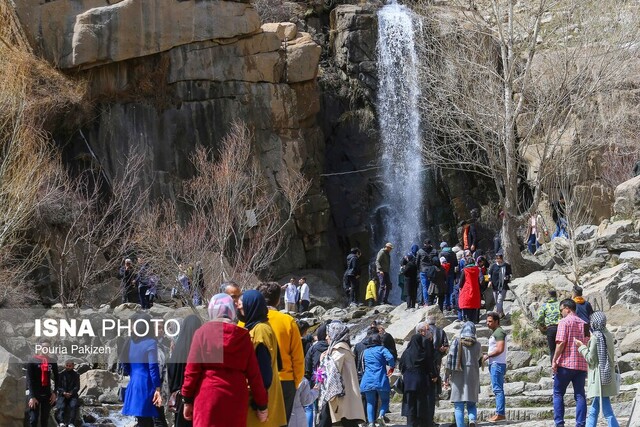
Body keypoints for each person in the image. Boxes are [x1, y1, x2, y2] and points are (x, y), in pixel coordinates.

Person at [181, 294, 269, 427]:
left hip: (208, 395)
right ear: (232, 311)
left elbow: (192, 370)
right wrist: (262, 405)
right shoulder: (243, 336)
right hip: (236, 397)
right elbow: (254, 374)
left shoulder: (202, 333)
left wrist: (187, 399)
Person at [257, 282, 305, 423]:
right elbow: (298, 357)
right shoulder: (288, 321)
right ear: (278, 300)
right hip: (285, 381)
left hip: (256, 381)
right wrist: (295, 382)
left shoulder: (246, 322)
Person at [575, 312, 620, 427]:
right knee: (594, 410)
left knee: (607, 412)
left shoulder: (596, 337)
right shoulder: (608, 335)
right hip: (607, 375)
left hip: (599, 378)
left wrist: (581, 346)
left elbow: (591, 359)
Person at [317, 321, 365, 427]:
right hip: (340, 394)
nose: (326, 338)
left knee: (330, 420)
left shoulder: (339, 349)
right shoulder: (341, 348)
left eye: (328, 335)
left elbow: (331, 369)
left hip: (339, 394)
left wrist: (323, 359)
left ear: (335, 334)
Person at [121, 312, 163, 427]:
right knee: (149, 420)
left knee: (141, 420)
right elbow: (153, 367)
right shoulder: (151, 342)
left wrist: (133, 374)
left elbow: (124, 363)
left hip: (134, 382)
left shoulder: (130, 341)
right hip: (147, 384)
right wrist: (158, 388)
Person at [552, 299, 588, 427]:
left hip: (565, 364)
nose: (561, 312)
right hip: (581, 364)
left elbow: (561, 342)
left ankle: (559, 423)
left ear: (567, 308)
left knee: (558, 393)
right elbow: (587, 343)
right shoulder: (585, 323)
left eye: (561, 310)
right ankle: (580, 424)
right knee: (580, 395)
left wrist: (554, 360)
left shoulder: (564, 322)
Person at [167, 314, 202, 427]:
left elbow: (171, 372)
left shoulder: (178, 348)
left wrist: (175, 388)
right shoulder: (200, 347)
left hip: (181, 398)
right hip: (198, 396)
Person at [445, 322, 482, 427]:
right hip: (472, 376)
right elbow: (479, 358)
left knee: (458, 405)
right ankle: (472, 420)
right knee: (471, 403)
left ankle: (461, 425)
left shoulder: (456, 342)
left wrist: (446, 376)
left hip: (458, 376)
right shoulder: (478, 344)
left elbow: (449, 360)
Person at [400, 324, 437, 427]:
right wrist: (433, 375)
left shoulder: (406, 353)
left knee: (410, 405)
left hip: (408, 383)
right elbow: (429, 365)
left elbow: (401, 366)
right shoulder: (422, 353)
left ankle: (410, 424)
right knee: (420, 404)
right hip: (420, 381)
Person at [359, 333, 395, 427]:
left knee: (370, 402)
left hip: (367, 379)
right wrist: (391, 367)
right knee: (385, 401)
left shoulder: (365, 351)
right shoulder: (382, 349)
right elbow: (390, 357)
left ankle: (371, 423)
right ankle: (380, 416)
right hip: (380, 378)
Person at [27, 341, 59, 427]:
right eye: (44, 346)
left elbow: (57, 378)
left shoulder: (52, 361)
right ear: (39, 348)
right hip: (35, 394)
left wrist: (55, 393)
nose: (46, 349)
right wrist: (32, 396)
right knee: (33, 420)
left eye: (48, 347)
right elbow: (29, 379)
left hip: (47, 394)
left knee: (45, 420)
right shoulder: (32, 360)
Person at [483, 312, 507, 422]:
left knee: (498, 389)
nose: (488, 323)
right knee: (497, 389)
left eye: (490, 321)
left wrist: (487, 356)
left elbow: (500, 349)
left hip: (497, 364)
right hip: (495, 363)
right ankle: (499, 412)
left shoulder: (499, 332)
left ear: (497, 321)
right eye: (487, 321)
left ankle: (500, 413)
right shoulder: (496, 332)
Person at [536, 289, 561, 359]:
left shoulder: (545, 306)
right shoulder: (560, 304)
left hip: (550, 328)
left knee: (552, 350)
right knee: (561, 348)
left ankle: (554, 368)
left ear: (549, 296)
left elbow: (538, 318)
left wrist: (542, 325)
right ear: (556, 295)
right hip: (561, 328)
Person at [487, 252, 512, 318]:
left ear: (502, 258)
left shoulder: (506, 265)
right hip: (495, 286)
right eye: (497, 258)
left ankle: (498, 315)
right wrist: (490, 281)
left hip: (503, 285)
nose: (498, 260)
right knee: (496, 301)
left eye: (499, 258)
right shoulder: (493, 266)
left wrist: (506, 277)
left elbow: (510, 274)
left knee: (499, 300)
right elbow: (489, 274)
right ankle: (502, 313)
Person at [56, 360, 80, 427]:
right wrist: (63, 392)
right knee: (61, 406)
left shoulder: (76, 375)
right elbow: (58, 386)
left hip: (72, 395)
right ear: (65, 365)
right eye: (67, 365)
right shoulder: (61, 374)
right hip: (62, 394)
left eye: (70, 366)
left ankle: (71, 423)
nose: (68, 367)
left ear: (73, 366)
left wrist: (71, 393)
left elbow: (77, 387)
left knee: (73, 405)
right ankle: (61, 422)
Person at [457, 257, 482, 323]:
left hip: (467, 290)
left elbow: (461, 282)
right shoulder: (477, 270)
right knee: (474, 306)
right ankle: (474, 320)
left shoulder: (465, 270)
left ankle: (468, 320)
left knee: (467, 306)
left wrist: (460, 287)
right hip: (475, 289)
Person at [416, 240, 439, 307]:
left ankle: (426, 302)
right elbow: (437, 260)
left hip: (423, 270)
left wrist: (419, 269)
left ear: (424, 244)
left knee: (425, 287)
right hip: (432, 270)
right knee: (432, 286)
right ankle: (431, 301)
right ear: (430, 244)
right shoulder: (434, 251)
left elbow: (417, 261)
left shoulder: (420, 251)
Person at [439, 242, 458, 311]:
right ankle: (451, 303)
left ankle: (445, 304)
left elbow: (439, 263)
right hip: (451, 273)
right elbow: (456, 263)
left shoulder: (441, 253)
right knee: (451, 288)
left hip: (444, 273)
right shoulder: (452, 253)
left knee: (444, 289)